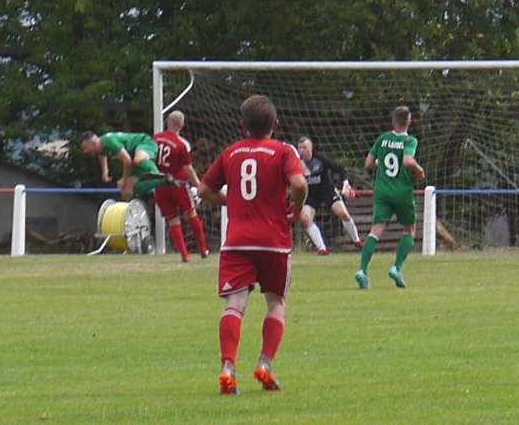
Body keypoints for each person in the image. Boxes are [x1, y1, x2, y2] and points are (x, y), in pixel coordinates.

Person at [198, 95, 307, 395]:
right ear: (276, 124)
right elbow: (299, 184)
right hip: (273, 241)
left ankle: (227, 367)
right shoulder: (284, 150)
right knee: (276, 303)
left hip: (236, 242)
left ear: (242, 124)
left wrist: (228, 199)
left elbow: (203, 189)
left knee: (235, 304)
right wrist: (297, 209)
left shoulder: (231, 152)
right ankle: (265, 364)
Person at [355, 106, 425, 289]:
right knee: (409, 230)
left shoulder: (383, 139)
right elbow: (408, 161)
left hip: (382, 191)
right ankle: (396, 268)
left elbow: (368, 164)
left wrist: (382, 164)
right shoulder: (410, 140)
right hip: (402, 191)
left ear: (393, 121)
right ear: (409, 122)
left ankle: (362, 270)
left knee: (375, 230)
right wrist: (419, 170)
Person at [153, 111, 209, 262]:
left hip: (160, 184)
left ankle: (184, 255)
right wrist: (199, 185)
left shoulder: (155, 139)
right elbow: (188, 169)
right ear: (182, 125)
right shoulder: (182, 144)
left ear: (167, 122)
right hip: (179, 184)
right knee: (191, 214)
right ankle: (203, 249)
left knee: (172, 219)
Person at [296, 136, 363, 254]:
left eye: (305, 147)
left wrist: (346, 184)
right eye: (300, 148)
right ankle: (322, 249)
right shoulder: (296, 162)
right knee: (306, 218)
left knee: (343, 213)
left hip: (327, 191)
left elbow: (341, 170)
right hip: (310, 195)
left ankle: (357, 241)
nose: (302, 150)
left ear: (311, 148)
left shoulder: (321, 159)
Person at [79, 131, 177, 199]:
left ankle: (156, 173)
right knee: (128, 190)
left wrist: (123, 179)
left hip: (144, 143)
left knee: (138, 159)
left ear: (92, 143)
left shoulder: (109, 141)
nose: (85, 151)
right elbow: (102, 155)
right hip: (133, 156)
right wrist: (105, 172)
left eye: (85, 148)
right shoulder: (101, 147)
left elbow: (127, 160)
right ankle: (164, 180)